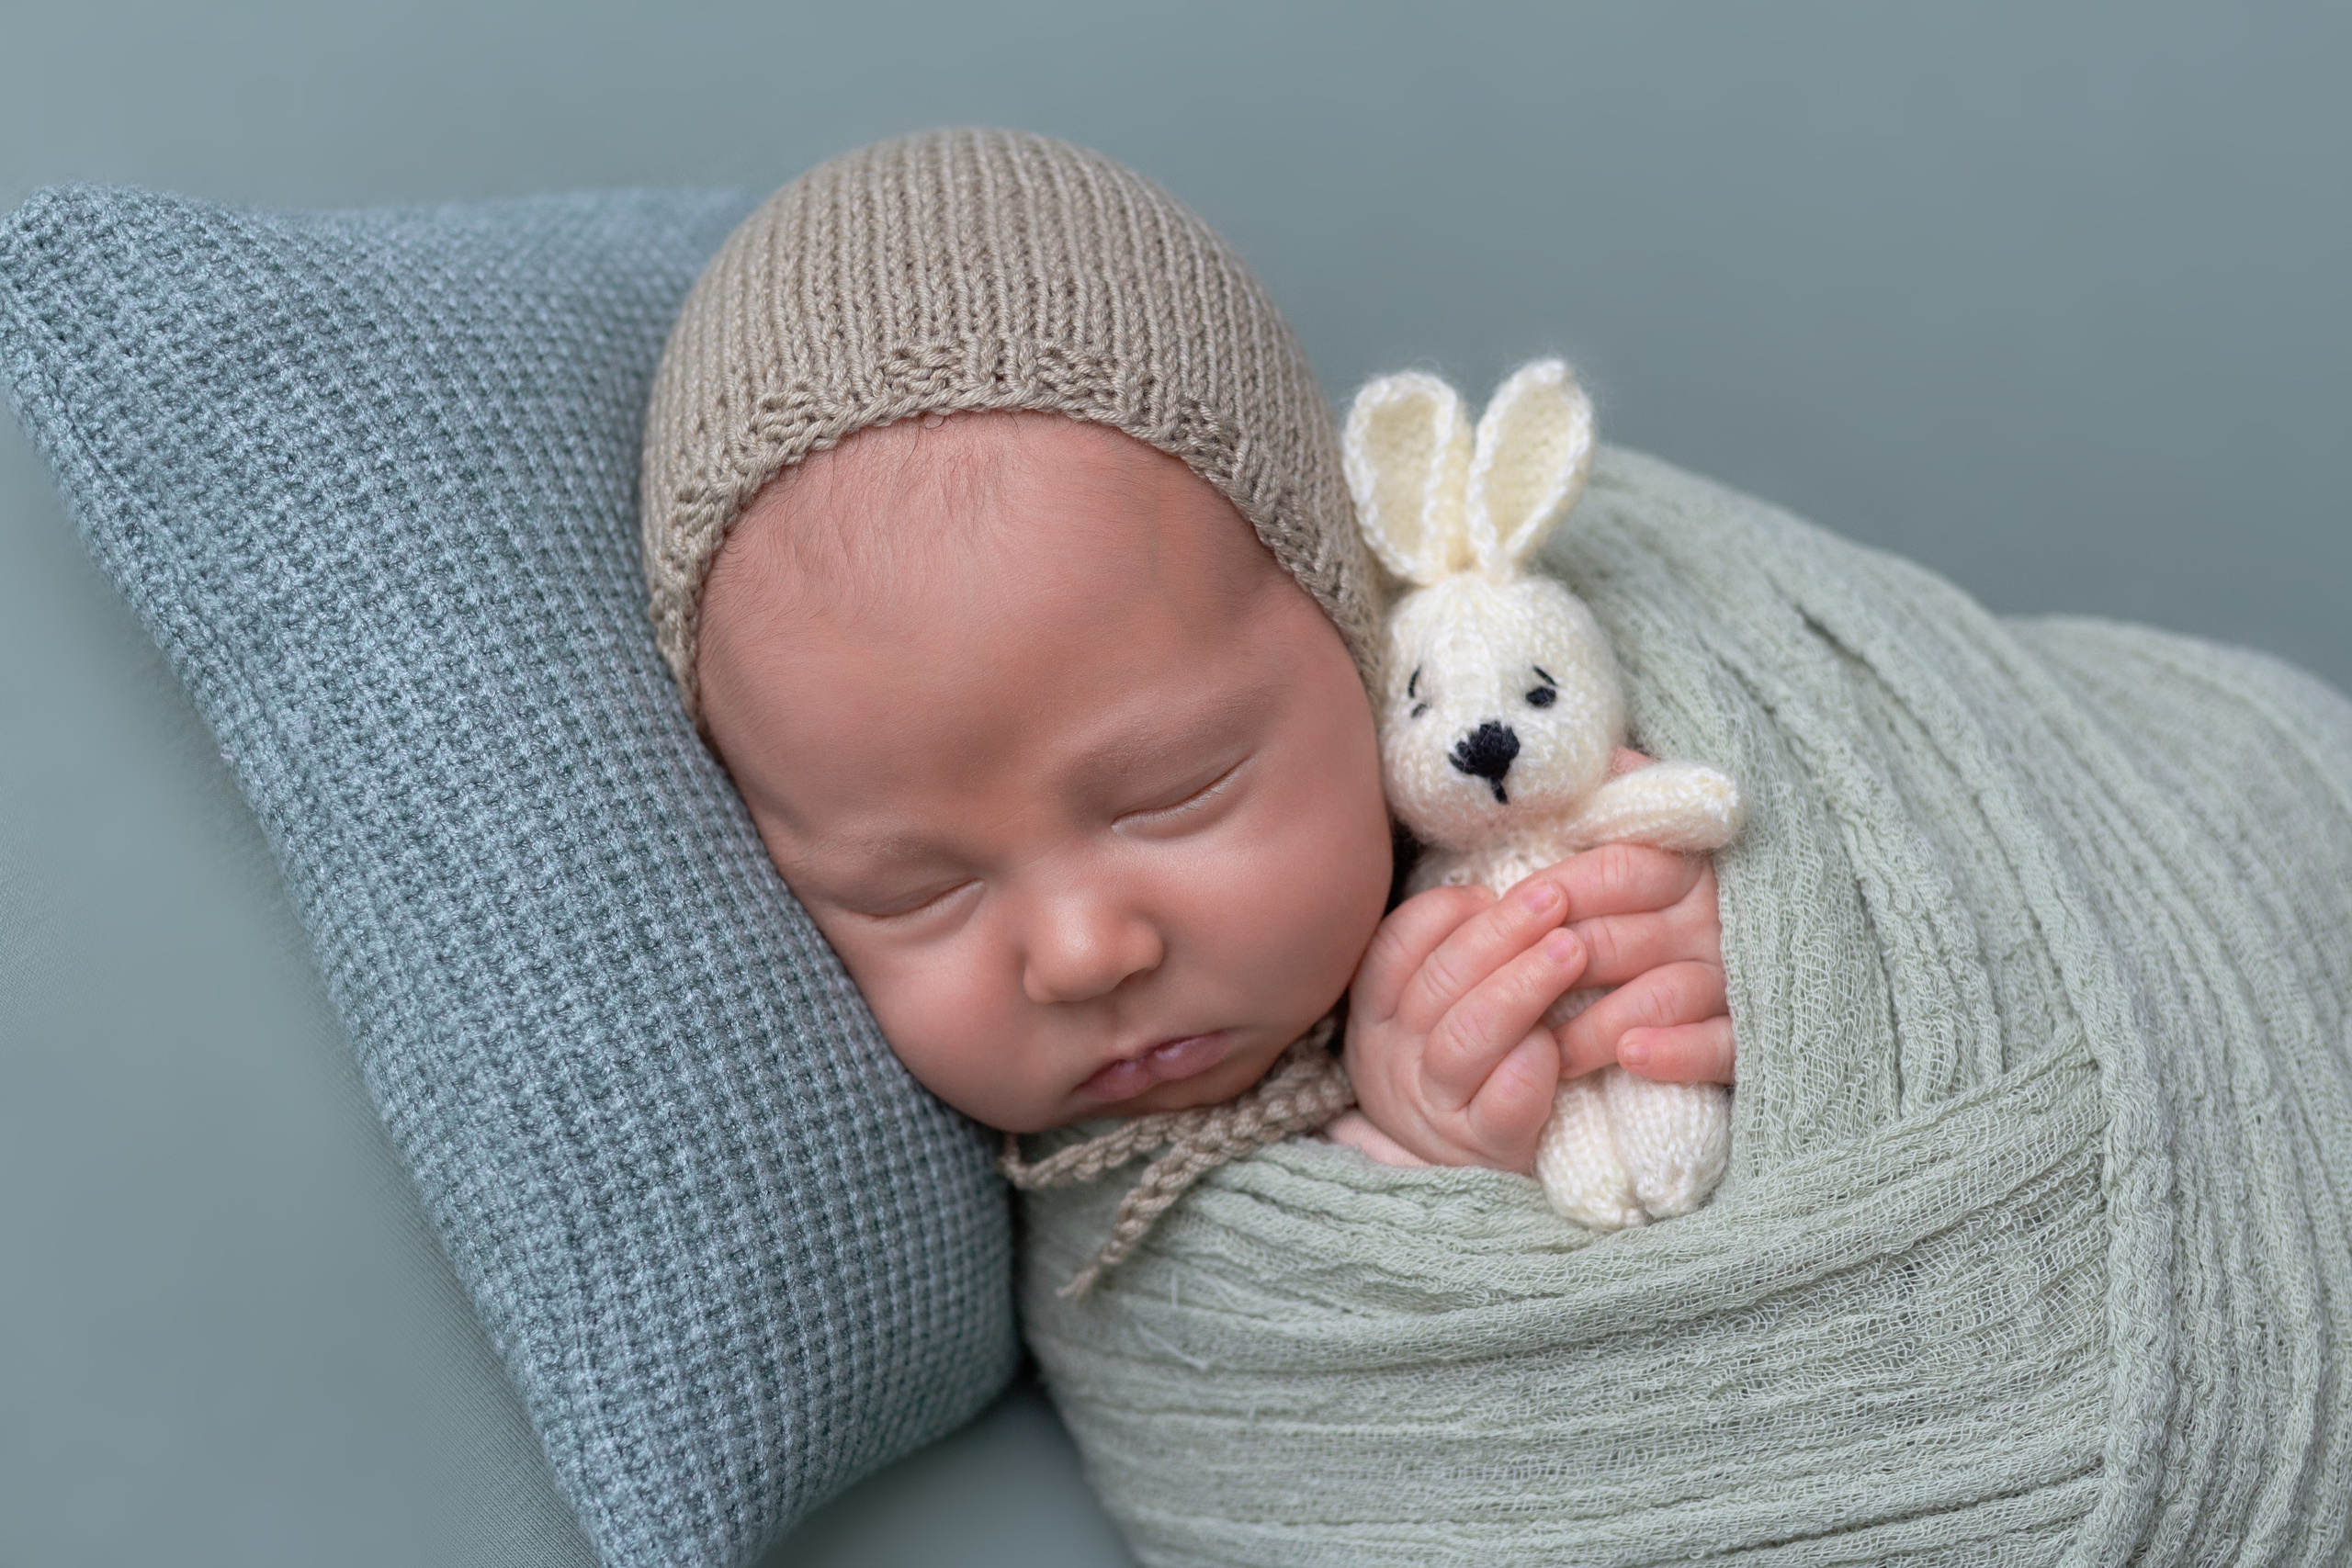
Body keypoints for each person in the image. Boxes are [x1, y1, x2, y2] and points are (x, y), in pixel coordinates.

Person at [638, 127, 1734, 1227]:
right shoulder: (1042, 1195)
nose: (1080, 956)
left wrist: (1733, 955)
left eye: (1174, 793)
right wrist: (1409, 1150)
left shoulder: (1526, 695)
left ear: (1351, 628)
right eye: (912, 893)